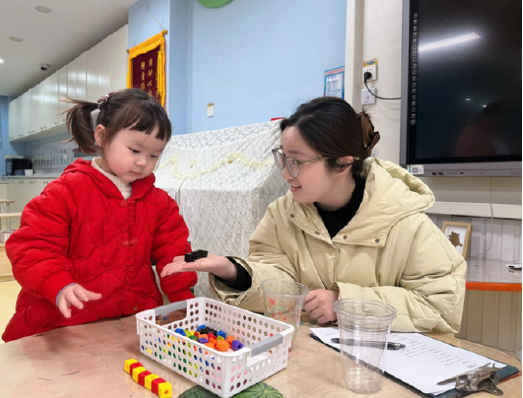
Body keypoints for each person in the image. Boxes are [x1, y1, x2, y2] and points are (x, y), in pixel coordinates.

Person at [162, 97, 467, 333]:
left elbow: (439, 305)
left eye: (296, 161)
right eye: (282, 158)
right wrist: (234, 272)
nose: (285, 173)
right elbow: (283, 285)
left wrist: (346, 304)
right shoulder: (282, 214)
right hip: (313, 359)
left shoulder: (405, 220)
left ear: (342, 163)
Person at [2, 89, 197, 342]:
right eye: (134, 150)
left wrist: (184, 301)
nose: (143, 162)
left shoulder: (160, 203)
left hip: (129, 321)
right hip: (63, 323)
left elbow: (174, 254)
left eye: (154, 155)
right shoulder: (66, 191)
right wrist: (57, 283)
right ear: (102, 136)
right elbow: (33, 246)